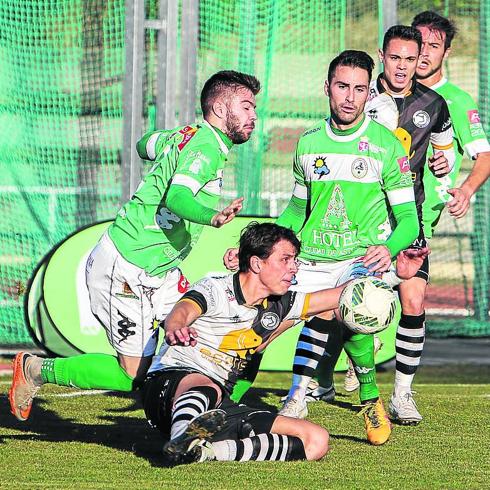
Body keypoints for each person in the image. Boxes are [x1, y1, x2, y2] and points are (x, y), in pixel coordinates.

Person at [9, 70, 261, 422]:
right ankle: (35, 369)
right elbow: (176, 198)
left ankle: (219, 408)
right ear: (220, 107)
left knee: (209, 326)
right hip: (126, 267)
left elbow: (145, 144)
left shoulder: (192, 136)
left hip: (159, 269)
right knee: (131, 373)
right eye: (246, 107)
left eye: (254, 109)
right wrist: (213, 217)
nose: (254, 117)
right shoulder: (205, 146)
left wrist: (172, 141)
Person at [226, 50, 420, 445]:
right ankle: (231, 399)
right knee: (261, 324)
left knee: (350, 310)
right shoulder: (309, 142)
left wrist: (387, 248)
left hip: (361, 257)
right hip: (312, 257)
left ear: (370, 93)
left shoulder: (386, 146)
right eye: (342, 86)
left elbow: (410, 222)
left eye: (360, 89)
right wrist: (262, 250)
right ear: (327, 88)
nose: (350, 97)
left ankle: (365, 398)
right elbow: (299, 206)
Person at [143, 222, 427, 464]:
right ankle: (181, 435)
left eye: (295, 260)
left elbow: (343, 293)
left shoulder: (285, 302)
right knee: (206, 387)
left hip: (218, 407)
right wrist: (177, 327)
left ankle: (205, 452)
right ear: (256, 263)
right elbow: (183, 310)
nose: (294, 268)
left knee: (316, 441)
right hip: (170, 387)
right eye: (286, 260)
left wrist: (396, 275)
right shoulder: (216, 287)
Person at [340, 25, 456, 425]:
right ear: (382, 56)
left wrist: (445, 165)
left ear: (419, 58)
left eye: (410, 59)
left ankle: (402, 395)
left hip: (409, 216)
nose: (403, 66)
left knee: (414, 301)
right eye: (395, 58)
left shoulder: (435, 104)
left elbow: (445, 154)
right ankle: (341, 370)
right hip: (365, 218)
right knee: (351, 302)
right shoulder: (359, 96)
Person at [411, 11, 490, 224]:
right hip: (374, 215)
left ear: (446, 52)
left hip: (419, 220)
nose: (424, 52)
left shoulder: (458, 100)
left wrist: (465, 191)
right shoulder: (390, 92)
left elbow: (485, 156)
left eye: (434, 46)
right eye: (420, 43)